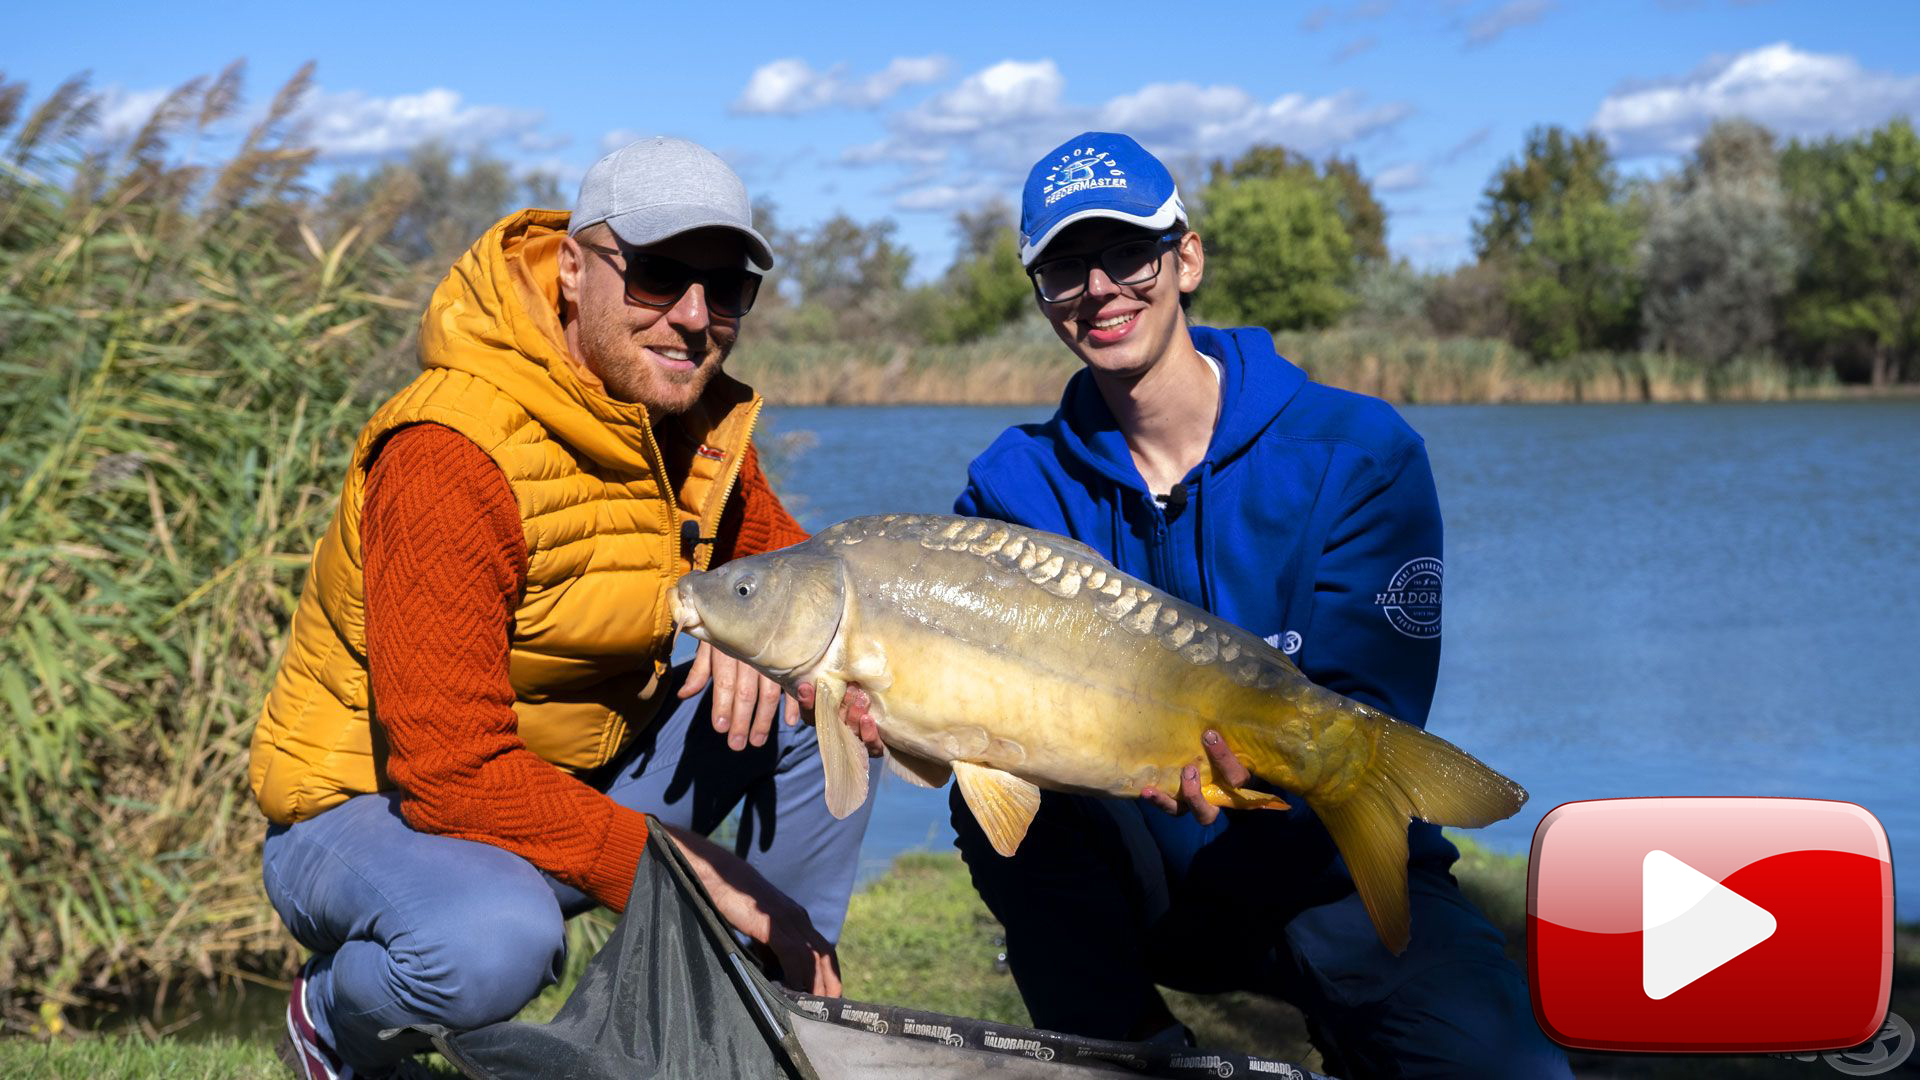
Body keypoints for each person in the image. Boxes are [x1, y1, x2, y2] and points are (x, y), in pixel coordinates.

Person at [944, 132, 1570, 1079]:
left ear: (1184, 257)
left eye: (1127, 252)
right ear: (1041, 294)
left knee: (1507, 1067)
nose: (1100, 288)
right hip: (1138, 872)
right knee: (992, 799)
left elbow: (1374, 703)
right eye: (1064, 267)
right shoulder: (1013, 487)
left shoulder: (1357, 451)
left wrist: (1274, 789)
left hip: (1324, 868)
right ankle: (1130, 1050)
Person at [248, 137, 877, 1080]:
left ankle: (760, 1014)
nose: (694, 319)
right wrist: (688, 875)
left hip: (573, 766)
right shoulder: (449, 453)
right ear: (575, 270)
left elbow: (811, 584)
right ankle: (333, 1017)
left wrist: (774, 638)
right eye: (659, 275)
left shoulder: (688, 423)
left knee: (817, 696)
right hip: (368, 805)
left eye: (728, 287)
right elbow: (448, 771)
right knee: (490, 941)